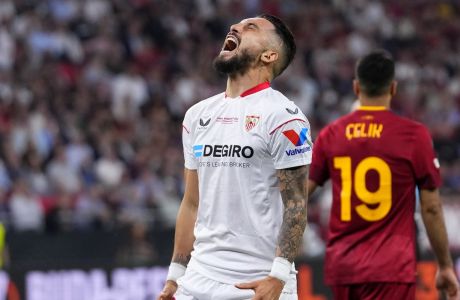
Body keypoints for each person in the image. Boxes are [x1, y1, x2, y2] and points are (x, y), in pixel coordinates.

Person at [158, 14, 312, 300]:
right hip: (197, 280)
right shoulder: (197, 116)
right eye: (236, 26)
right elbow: (191, 203)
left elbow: (296, 204)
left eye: (250, 27)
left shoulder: (285, 118)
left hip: (258, 283)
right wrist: (175, 277)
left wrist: (278, 277)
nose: (235, 28)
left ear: (269, 55)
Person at [307, 50, 459, 300]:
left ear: (356, 88)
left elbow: (299, 194)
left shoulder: (331, 135)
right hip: (391, 266)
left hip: (343, 266)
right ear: (393, 88)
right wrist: (444, 265)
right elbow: (431, 208)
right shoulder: (413, 135)